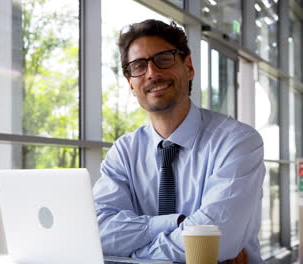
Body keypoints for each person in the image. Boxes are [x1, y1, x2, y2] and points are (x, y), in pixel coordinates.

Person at [93, 19, 265, 263]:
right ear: (131, 83)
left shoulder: (237, 142)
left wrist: (135, 254)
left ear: (189, 66)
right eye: (139, 66)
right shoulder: (124, 152)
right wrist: (177, 223)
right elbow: (98, 232)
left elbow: (219, 239)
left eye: (164, 59)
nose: (152, 73)